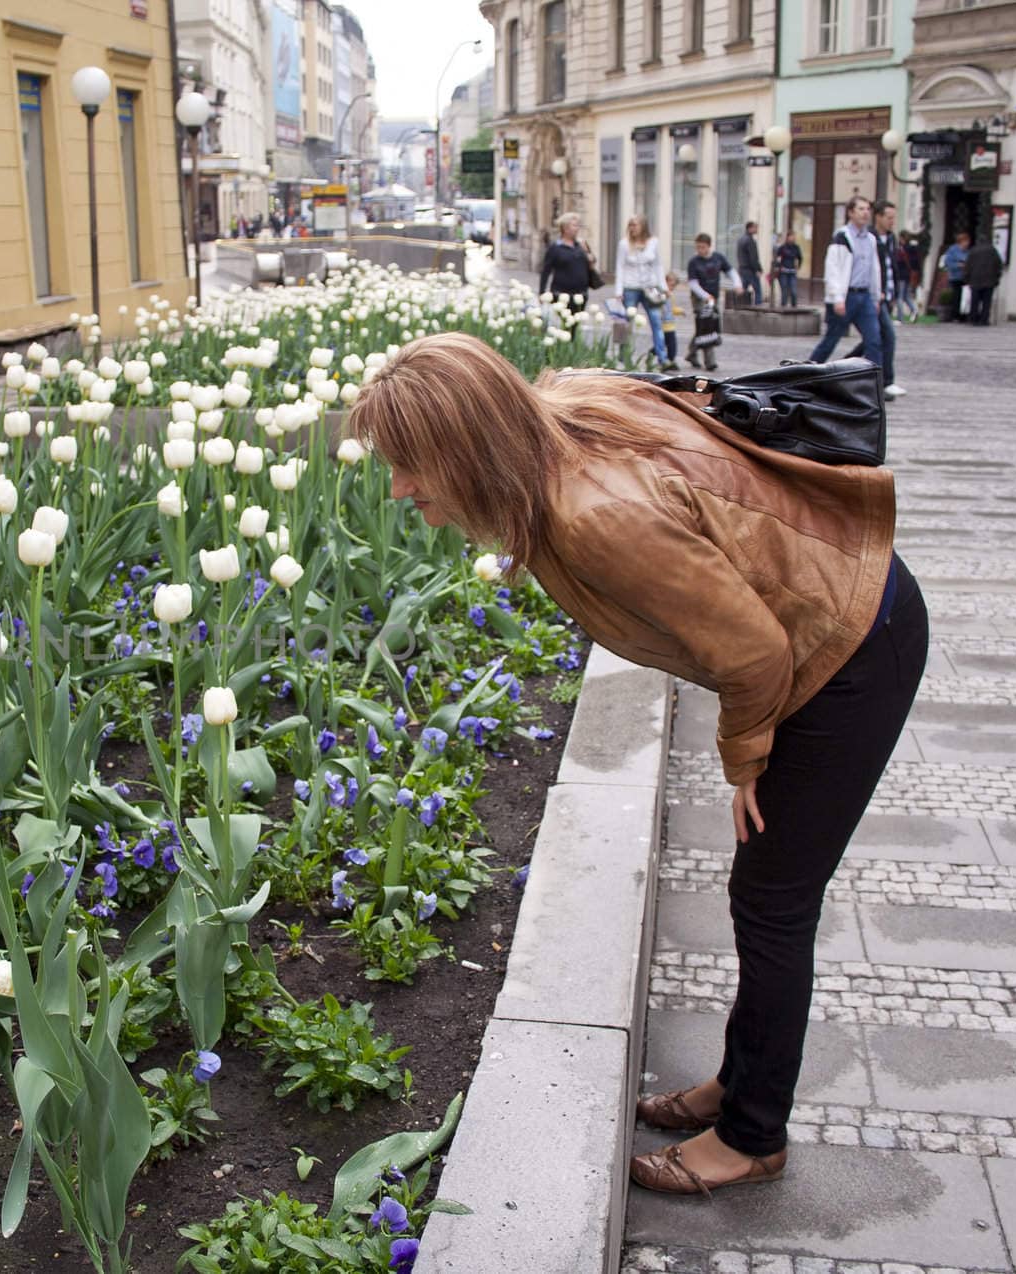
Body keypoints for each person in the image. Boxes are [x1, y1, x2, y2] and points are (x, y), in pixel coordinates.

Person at [350, 329, 926, 1201]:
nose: (398, 489)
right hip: (837, 601)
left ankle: (753, 1134)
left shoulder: (593, 517)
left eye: (411, 464)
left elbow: (758, 656)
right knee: (760, 892)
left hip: (843, 647)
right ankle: (740, 1079)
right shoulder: (560, 410)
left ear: (468, 449)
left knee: (773, 902)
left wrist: (746, 762)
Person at [807, 195, 882, 366]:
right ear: (851, 213)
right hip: (846, 296)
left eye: (867, 209)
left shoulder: (870, 239)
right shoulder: (842, 237)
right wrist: (837, 297)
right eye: (861, 209)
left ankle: (873, 383)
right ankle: (806, 370)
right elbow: (832, 269)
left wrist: (875, 296)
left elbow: (874, 270)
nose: (865, 213)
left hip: (864, 296)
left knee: (874, 341)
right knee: (831, 340)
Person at [842, 201, 906, 399]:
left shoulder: (891, 239)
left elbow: (889, 267)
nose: (892, 221)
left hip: (882, 294)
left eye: (894, 217)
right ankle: (884, 382)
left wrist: (892, 291)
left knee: (874, 339)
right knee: (884, 337)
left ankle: (843, 366)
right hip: (868, 295)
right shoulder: (869, 237)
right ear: (878, 217)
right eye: (888, 217)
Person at [618, 215, 672, 369]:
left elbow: (658, 265)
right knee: (626, 323)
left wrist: (664, 287)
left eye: (635, 225)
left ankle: (663, 357)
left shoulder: (653, 243)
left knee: (656, 321)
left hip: (650, 287)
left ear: (643, 226)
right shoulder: (624, 244)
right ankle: (623, 357)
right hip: (630, 287)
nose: (632, 228)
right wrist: (618, 290)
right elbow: (620, 266)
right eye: (630, 225)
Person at [686, 233, 739, 371]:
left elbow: (730, 271)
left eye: (702, 247)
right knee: (706, 326)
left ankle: (691, 352)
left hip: (713, 298)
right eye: (697, 247)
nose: (700, 250)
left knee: (703, 328)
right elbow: (692, 283)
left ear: (709, 246)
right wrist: (705, 295)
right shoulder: (694, 262)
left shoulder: (718, 258)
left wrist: (738, 284)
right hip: (699, 299)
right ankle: (710, 362)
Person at [539, 212, 597, 309]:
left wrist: (589, 256)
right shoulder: (555, 247)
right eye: (574, 225)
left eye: (578, 225)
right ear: (565, 228)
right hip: (561, 295)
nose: (577, 228)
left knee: (577, 323)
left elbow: (592, 261)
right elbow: (546, 271)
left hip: (581, 295)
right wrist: (542, 292)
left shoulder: (581, 244)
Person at [965, 236, 1004, 326]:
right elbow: (998, 265)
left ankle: (973, 319)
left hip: (975, 280)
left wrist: (967, 279)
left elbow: (968, 266)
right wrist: (997, 278)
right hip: (989, 280)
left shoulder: (973, 251)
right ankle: (984, 319)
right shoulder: (993, 250)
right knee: (987, 302)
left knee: (975, 301)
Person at [942, 231, 971, 322]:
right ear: (960, 241)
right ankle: (955, 315)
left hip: (965, 277)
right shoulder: (952, 250)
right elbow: (947, 263)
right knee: (956, 296)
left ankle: (963, 315)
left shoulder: (968, 251)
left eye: (967, 241)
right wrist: (958, 265)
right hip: (955, 277)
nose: (967, 243)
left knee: (965, 297)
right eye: (965, 241)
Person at [660, 271, 685, 368]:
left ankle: (671, 360)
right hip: (663, 325)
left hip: (671, 325)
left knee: (672, 346)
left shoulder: (671, 296)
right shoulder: (661, 295)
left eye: (674, 286)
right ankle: (654, 354)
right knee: (664, 343)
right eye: (671, 285)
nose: (672, 288)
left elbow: (672, 309)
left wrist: (680, 311)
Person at [736, 221, 763, 306]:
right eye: (755, 227)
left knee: (743, 288)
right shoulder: (750, 241)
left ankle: (739, 305)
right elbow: (753, 257)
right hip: (750, 269)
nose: (757, 229)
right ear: (750, 228)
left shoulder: (741, 239)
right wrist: (758, 269)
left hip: (742, 268)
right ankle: (758, 308)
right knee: (758, 290)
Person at [774, 232, 803, 308]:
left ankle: (794, 306)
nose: (793, 238)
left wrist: (798, 267)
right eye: (791, 237)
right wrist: (778, 267)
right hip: (784, 271)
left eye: (793, 237)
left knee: (794, 290)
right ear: (787, 238)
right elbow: (777, 258)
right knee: (784, 290)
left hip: (792, 271)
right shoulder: (782, 247)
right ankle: (783, 306)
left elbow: (800, 258)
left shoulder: (796, 247)